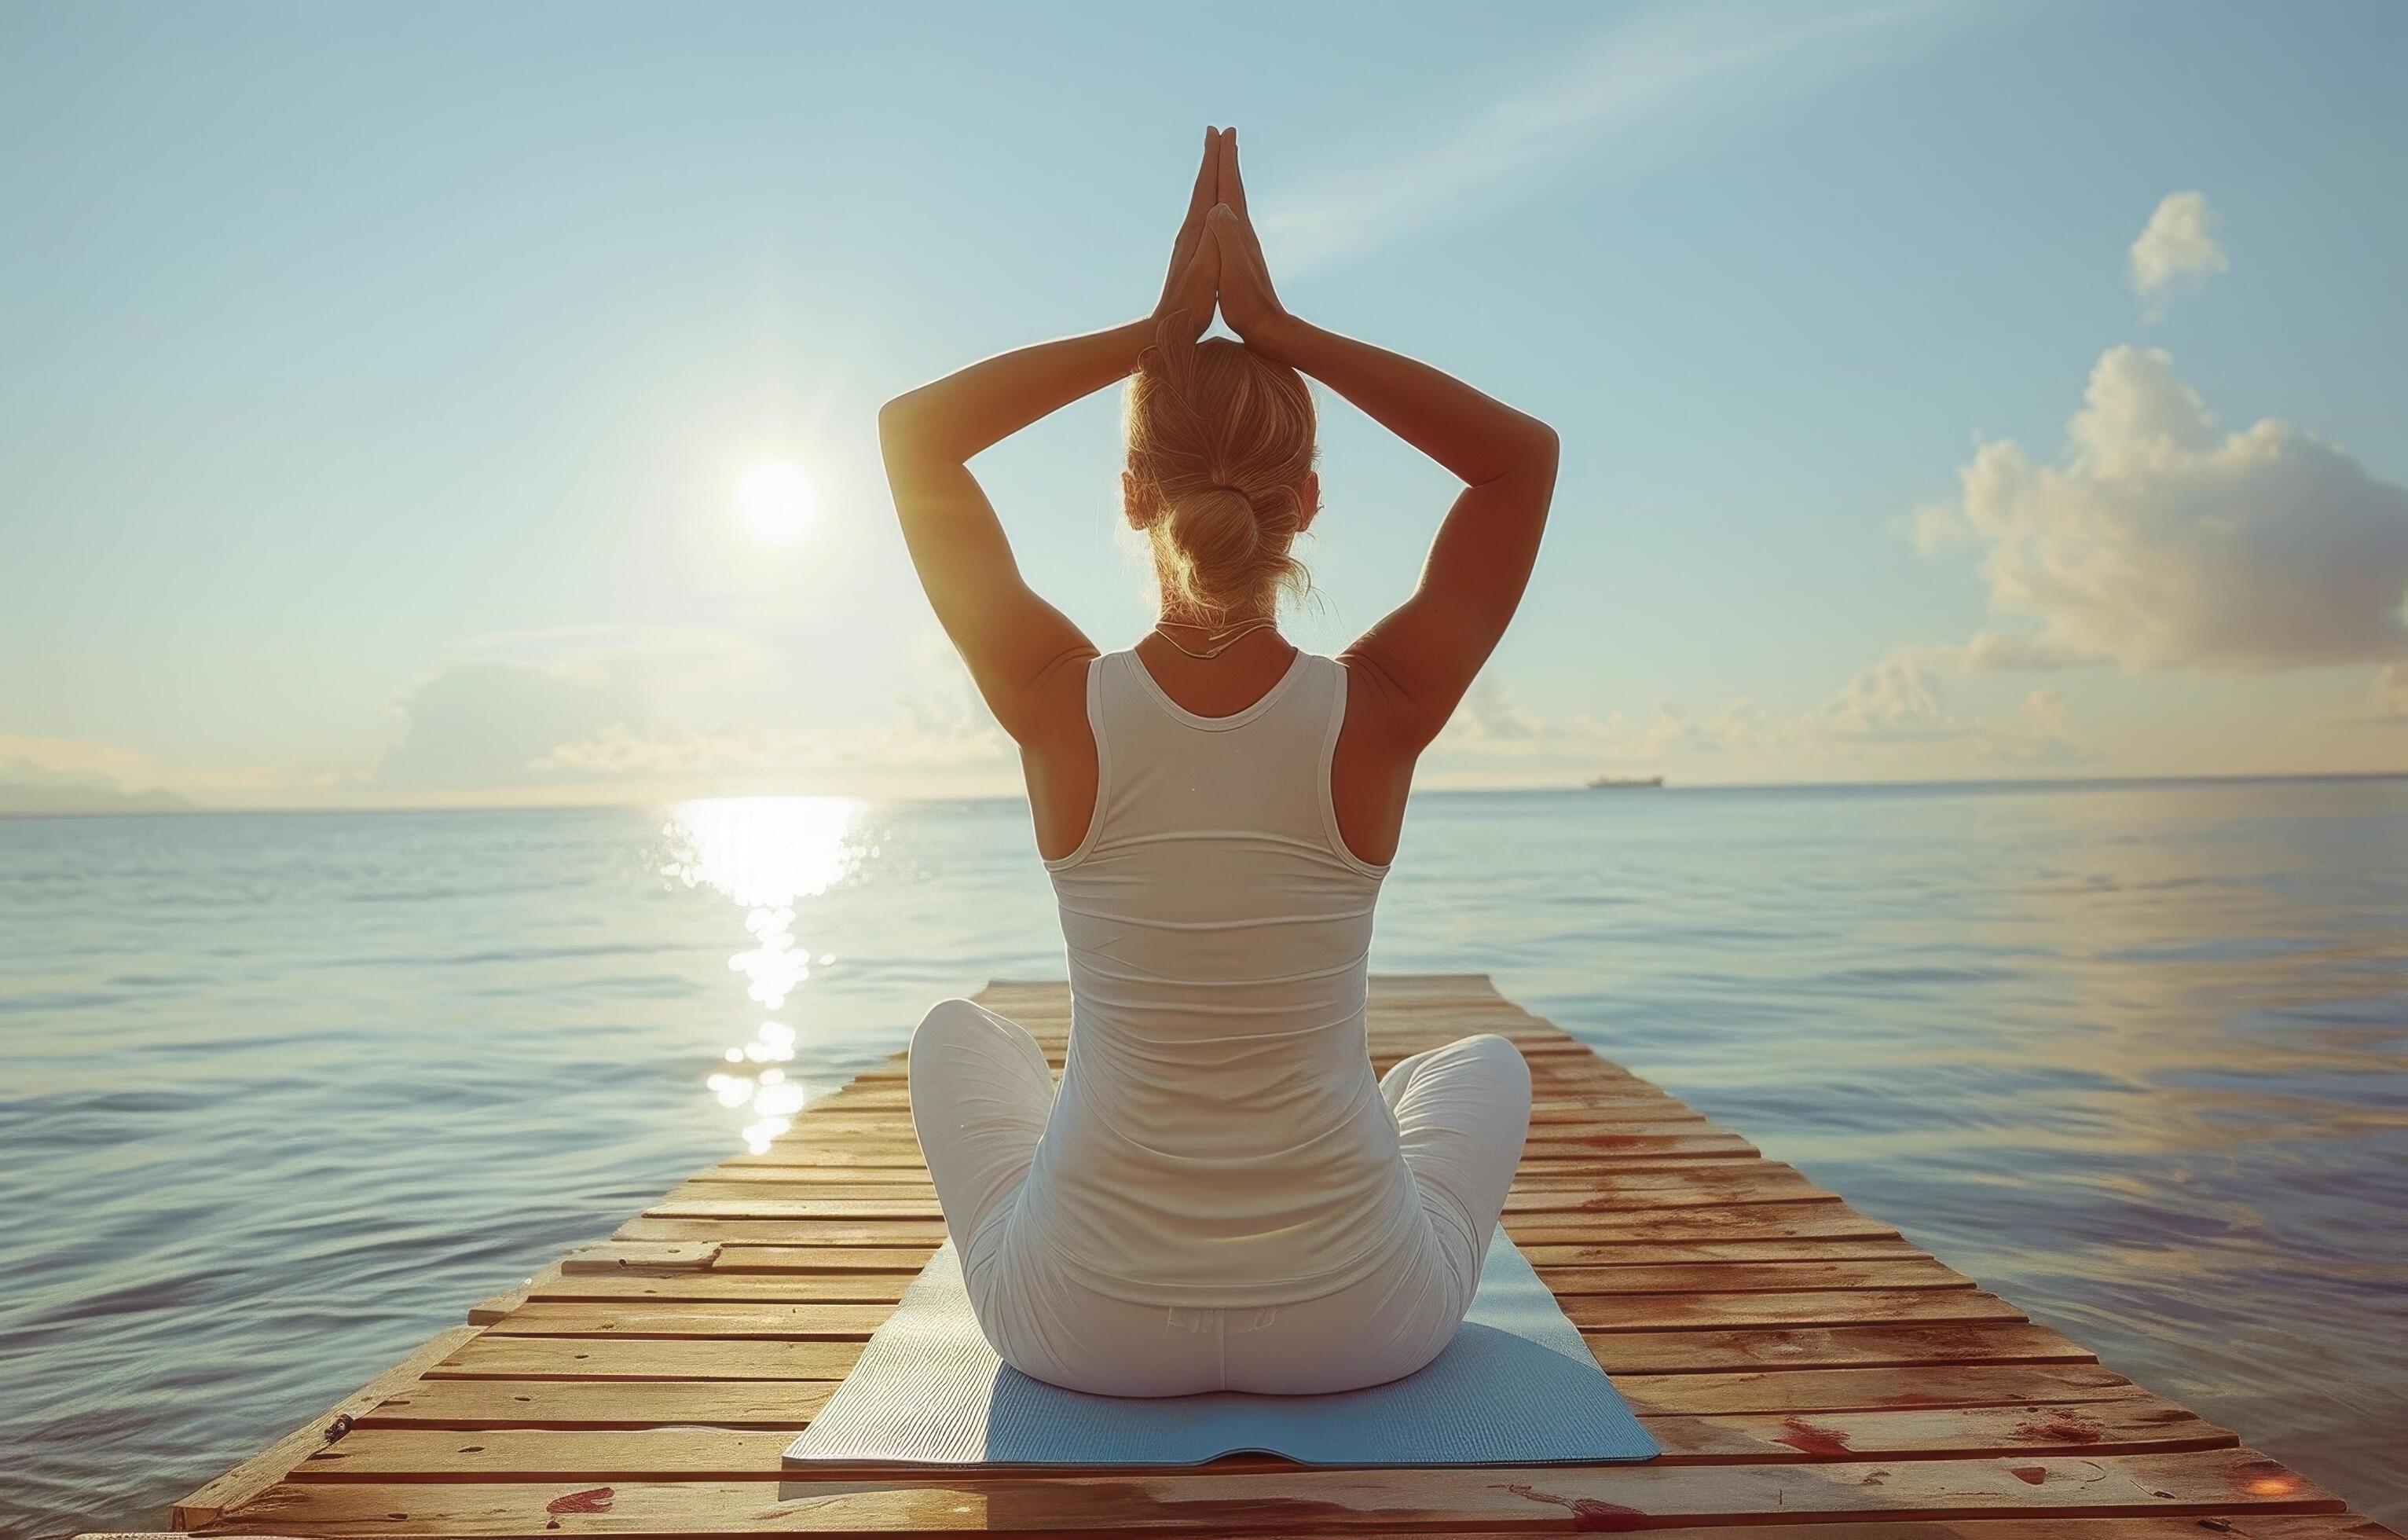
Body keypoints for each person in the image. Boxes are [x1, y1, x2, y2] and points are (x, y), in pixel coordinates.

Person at [878, 126, 1558, 1396]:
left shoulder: (1052, 703)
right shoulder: (1382, 709)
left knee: (957, 1039)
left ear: (1132, 496)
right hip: (1359, 1321)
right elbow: (1521, 460)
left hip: (1086, 1326)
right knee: (1478, 1066)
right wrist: (1281, 330)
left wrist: (1150, 335)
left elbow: (915, 438)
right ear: (1306, 500)